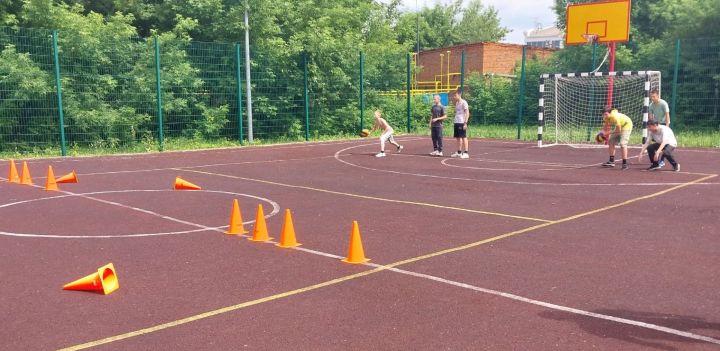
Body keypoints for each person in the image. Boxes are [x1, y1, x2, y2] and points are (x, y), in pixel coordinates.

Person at [648, 89, 671, 168]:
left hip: (664, 124)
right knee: (657, 143)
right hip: (656, 125)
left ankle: (662, 161)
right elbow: (651, 117)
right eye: (651, 97)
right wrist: (650, 126)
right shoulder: (651, 105)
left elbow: (667, 115)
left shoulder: (663, 103)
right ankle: (656, 160)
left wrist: (667, 126)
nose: (652, 98)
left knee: (664, 144)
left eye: (653, 96)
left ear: (658, 96)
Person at [451, 89, 470, 159]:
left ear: (459, 95)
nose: (454, 97)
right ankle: (459, 152)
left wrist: (465, 123)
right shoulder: (457, 103)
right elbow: (457, 113)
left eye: (455, 95)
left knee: (463, 137)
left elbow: (467, 113)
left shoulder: (464, 102)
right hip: (457, 122)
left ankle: (466, 153)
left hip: (462, 122)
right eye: (454, 95)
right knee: (458, 138)